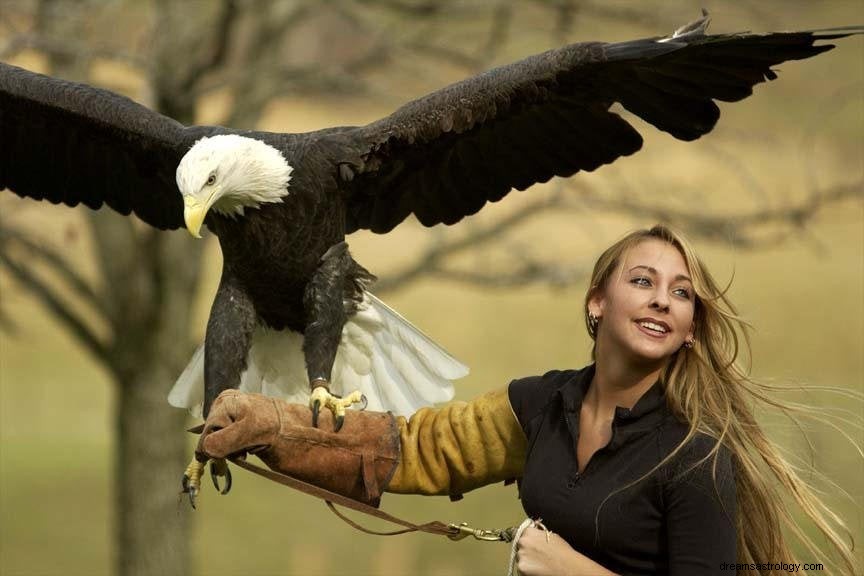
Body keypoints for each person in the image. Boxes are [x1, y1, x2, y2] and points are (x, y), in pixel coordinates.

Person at [196, 225, 856, 576]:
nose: (663, 298)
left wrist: (569, 569)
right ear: (598, 302)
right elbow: (422, 450)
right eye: (643, 280)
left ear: (688, 329)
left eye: (681, 293)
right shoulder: (546, 404)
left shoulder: (693, 459)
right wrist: (274, 425)